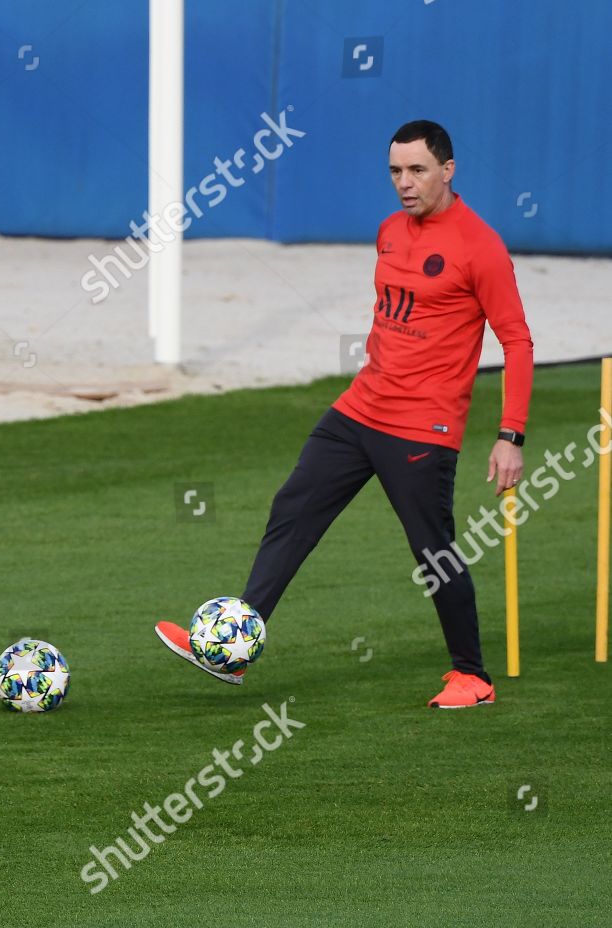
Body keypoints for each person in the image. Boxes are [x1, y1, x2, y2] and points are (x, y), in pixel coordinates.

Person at [155, 120, 534, 709]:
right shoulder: (387, 231)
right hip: (359, 408)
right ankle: (235, 646)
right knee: (293, 508)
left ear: (448, 170)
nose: (404, 183)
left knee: (432, 550)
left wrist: (510, 434)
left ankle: (472, 677)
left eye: (417, 171)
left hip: (421, 427)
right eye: (395, 172)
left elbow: (517, 342)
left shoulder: (480, 246)